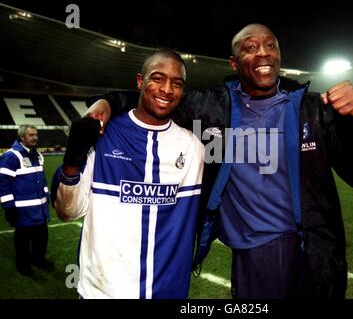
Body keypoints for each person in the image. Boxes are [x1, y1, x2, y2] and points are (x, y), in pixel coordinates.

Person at [86, 24, 353, 299]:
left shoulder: (312, 110)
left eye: (270, 45)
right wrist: (108, 102)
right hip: (253, 256)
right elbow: (154, 99)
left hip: (314, 253)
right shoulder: (209, 110)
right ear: (234, 63)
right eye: (250, 48)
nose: (263, 54)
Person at [51, 50, 205, 299]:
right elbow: (67, 212)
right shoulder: (103, 136)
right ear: (139, 81)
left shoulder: (193, 147)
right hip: (102, 293)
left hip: (168, 293)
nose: (167, 90)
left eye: (177, 84)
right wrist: (72, 161)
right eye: (157, 78)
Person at [0, 125, 53, 277]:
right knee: (23, 240)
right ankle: (23, 265)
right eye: (31, 135)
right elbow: (3, 183)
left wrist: (46, 198)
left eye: (36, 135)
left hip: (40, 208)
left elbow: (40, 180)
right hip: (22, 210)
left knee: (41, 237)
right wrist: (9, 207)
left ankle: (38, 260)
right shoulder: (11, 156)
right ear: (22, 137)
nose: (35, 138)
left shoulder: (37, 155)